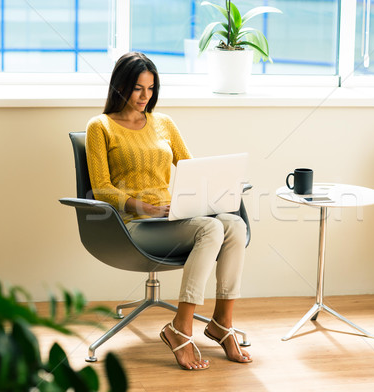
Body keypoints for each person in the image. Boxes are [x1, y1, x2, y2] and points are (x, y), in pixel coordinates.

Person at [85, 52, 251, 370]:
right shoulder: (100, 127)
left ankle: (221, 323)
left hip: (171, 218)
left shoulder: (164, 123)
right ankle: (180, 329)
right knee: (211, 229)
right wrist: (142, 205)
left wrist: (219, 186)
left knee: (234, 225)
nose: (145, 96)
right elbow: (101, 188)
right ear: (120, 87)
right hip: (133, 225)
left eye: (150, 88)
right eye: (137, 88)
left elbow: (191, 169)